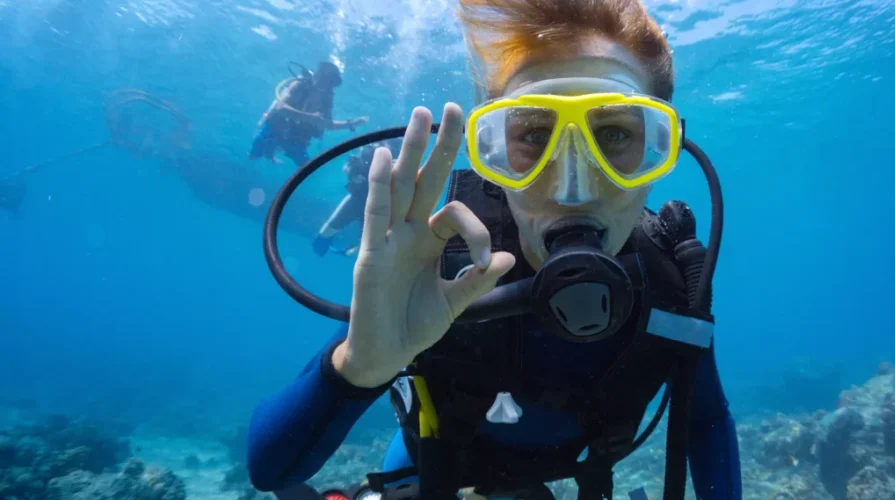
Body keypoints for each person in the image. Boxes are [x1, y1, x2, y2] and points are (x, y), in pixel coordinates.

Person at [247, 1, 741, 499]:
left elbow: (706, 423)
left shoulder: (673, 285)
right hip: (437, 464)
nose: (574, 188)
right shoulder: (438, 268)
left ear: (661, 150)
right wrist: (357, 366)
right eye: (532, 135)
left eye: (613, 134)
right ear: (492, 156)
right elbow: (269, 471)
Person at [249, 61, 370, 166]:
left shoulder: (327, 100)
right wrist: (310, 117)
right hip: (275, 130)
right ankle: (270, 157)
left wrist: (352, 123)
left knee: (306, 166)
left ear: (331, 84)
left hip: (297, 139)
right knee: (254, 156)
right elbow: (280, 107)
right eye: (321, 73)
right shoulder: (299, 85)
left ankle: (272, 156)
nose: (322, 79)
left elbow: (328, 125)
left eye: (327, 78)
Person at [312, 139, 402, 257]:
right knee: (324, 234)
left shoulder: (399, 158)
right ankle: (326, 248)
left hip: (379, 205)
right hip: (357, 198)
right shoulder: (369, 149)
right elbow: (348, 166)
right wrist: (351, 173)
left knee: (365, 247)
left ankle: (346, 252)